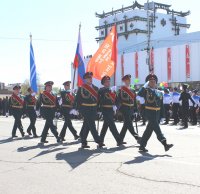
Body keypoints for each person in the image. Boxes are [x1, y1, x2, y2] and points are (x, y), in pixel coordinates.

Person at [137, 74, 173, 152]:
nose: (153, 83)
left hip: (157, 113)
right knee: (157, 129)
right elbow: (138, 95)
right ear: (148, 83)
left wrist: (162, 115)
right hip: (149, 112)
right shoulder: (146, 91)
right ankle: (164, 143)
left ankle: (142, 145)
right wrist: (144, 86)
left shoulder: (159, 92)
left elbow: (161, 105)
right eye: (150, 81)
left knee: (149, 130)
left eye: (154, 81)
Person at [74, 72, 104, 149]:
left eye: (91, 78)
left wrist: (99, 109)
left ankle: (83, 142)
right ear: (85, 79)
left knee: (87, 126)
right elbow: (77, 99)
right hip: (85, 109)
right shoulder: (81, 88)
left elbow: (99, 100)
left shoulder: (96, 88)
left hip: (93, 109)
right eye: (88, 78)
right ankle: (99, 140)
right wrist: (76, 109)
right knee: (92, 125)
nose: (90, 79)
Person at [98, 76, 124, 146]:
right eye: (106, 81)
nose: (108, 82)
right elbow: (99, 101)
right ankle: (118, 140)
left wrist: (116, 106)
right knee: (112, 125)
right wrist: (99, 110)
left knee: (105, 125)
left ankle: (100, 141)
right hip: (105, 110)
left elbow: (118, 100)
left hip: (111, 110)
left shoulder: (112, 90)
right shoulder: (101, 91)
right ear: (103, 83)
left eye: (109, 81)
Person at [117, 74, 140, 144]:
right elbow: (118, 100)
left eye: (129, 80)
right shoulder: (121, 90)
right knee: (129, 123)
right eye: (127, 80)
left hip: (131, 109)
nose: (128, 81)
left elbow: (134, 100)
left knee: (126, 125)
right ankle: (137, 137)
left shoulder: (132, 90)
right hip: (125, 108)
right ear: (124, 81)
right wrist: (119, 110)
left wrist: (136, 110)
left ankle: (119, 140)